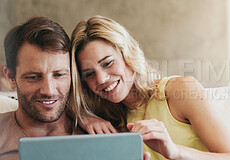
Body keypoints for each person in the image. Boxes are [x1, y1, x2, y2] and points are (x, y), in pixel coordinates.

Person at [70, 15, 230, 160]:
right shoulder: (108, 120)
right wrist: (84, 117)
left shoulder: (180, 90)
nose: (101, 78)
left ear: (128, 53)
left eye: (108, 63)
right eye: (89, 74)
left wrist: (174, 151)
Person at [0, 16, 150, 160]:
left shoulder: (103, 137)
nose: (49, 90)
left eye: (59, 75)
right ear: (11, 77)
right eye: (33, 77)